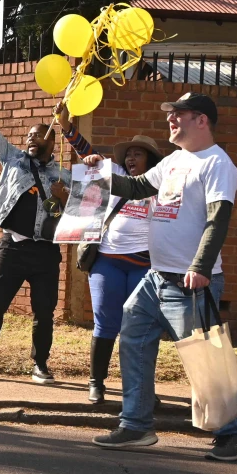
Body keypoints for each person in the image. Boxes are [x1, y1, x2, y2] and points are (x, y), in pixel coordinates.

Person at [91, 93, 237, 461]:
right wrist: (103, 172)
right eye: (170, 115)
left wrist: (199, 267)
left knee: (205, 360)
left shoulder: (217, 164)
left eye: (178, 114)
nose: (170, 120)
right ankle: (136, 425)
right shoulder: (176, 160)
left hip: (190, 281)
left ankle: (232, 434)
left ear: (202, 120)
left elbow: (218, 219)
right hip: (156, 277)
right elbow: (135, 188)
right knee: (132, 337)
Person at [0, 83, 70, 384]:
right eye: (28, 137)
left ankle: (40, 365)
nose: (30, 139)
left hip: (46, 252)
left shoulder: (63, 176)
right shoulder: (14, 159)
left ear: (51, 138)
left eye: (37, 135)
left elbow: (62, 217)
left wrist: (61, 200)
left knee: (44, 312)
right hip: (12, 246)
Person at [58, 117, 161, 404]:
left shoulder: (160, 182)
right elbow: (88, 158)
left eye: (137, 153)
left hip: (145, 267)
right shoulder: (114, 173)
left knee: (140, 329)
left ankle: (141, 391)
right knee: (105, 323)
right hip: (107, 262)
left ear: (150, 160)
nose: (130, 157)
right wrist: (68, 128)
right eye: (128, 154)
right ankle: (97, 383)